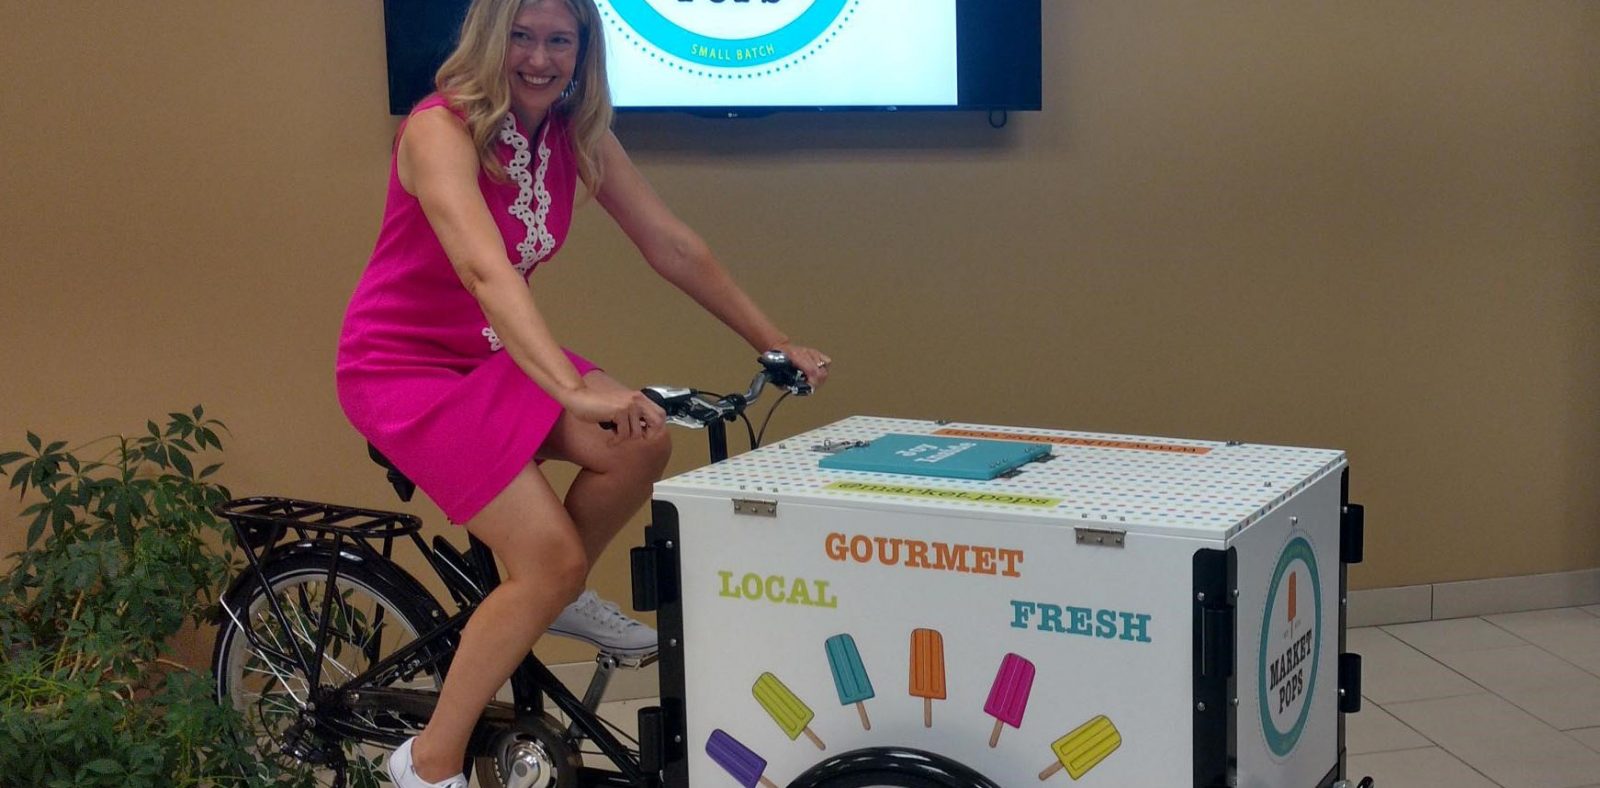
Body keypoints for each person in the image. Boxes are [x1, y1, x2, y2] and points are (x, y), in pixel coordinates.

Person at [334, 0, 831, 784]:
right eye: (521, 37)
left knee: (640, 439)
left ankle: (553, 593)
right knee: (549, 559)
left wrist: (772, 344)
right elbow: (485, 272)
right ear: (490, 40)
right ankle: (426, 763)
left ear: (583, 50)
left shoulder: (574, 133)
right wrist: (570, 388)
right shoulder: (438, 130)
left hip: (491, 353)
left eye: (559, 40)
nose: (540, 58)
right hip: (403, 370)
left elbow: (670, 243)